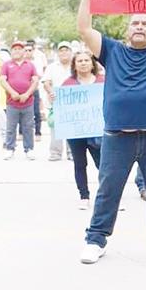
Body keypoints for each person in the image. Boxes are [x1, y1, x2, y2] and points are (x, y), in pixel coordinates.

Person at [77, 0, 146, 266]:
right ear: (127, 30)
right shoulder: (112, 50)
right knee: (108, 191)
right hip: (118, 136)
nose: (140, 26)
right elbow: (84, 29)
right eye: (135, 22)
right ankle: (95, 240)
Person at [62, 50, 105, 210]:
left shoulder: (103, 81)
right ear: (74, 65)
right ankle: (84, 196)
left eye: (86, 60)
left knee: (103, 165)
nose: (83, 63)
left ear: (92, 63)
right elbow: (62, 105)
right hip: (76, 133)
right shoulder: (68, 84)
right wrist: (55, 99)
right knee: (80, 164)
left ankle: (109, 197)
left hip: (98, 131)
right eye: (79, 61)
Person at [0, 41, 39, 160]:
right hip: (12, 102)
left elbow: (35, 81)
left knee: (28, 127)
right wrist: (12, 92)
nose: (17, 51)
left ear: (24, 51)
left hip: (28, 102)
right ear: (11, 51)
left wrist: (27, 94)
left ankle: (29, 149)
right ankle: (9, 149)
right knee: (10, 127)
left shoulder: (30, 65)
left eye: (19, 49)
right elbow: (2, 80)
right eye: (14, 49)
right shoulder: (6, 64)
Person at [42, 41, 74, 161]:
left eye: (66, 50)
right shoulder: (52, 67)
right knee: (55, 128)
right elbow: (46, 82)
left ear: (71, 52)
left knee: (72, 129)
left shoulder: (75, 65)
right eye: (61, 50)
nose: (64, 52)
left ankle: (71, 152)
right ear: (58, 53)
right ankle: (55, 153)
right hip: (56, 102)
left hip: (73, 102)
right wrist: (50, 92)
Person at [25, 40, 46, 142]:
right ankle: (22, 132)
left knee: (36, 111)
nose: (28, 52)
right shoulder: (21, 62)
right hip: (23, 90)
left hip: (35, 88)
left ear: (33, 50)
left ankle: (38, 132)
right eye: (26, 50)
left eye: (30, 50)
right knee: (23, 113)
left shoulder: (37, 60)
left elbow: (39, 74)